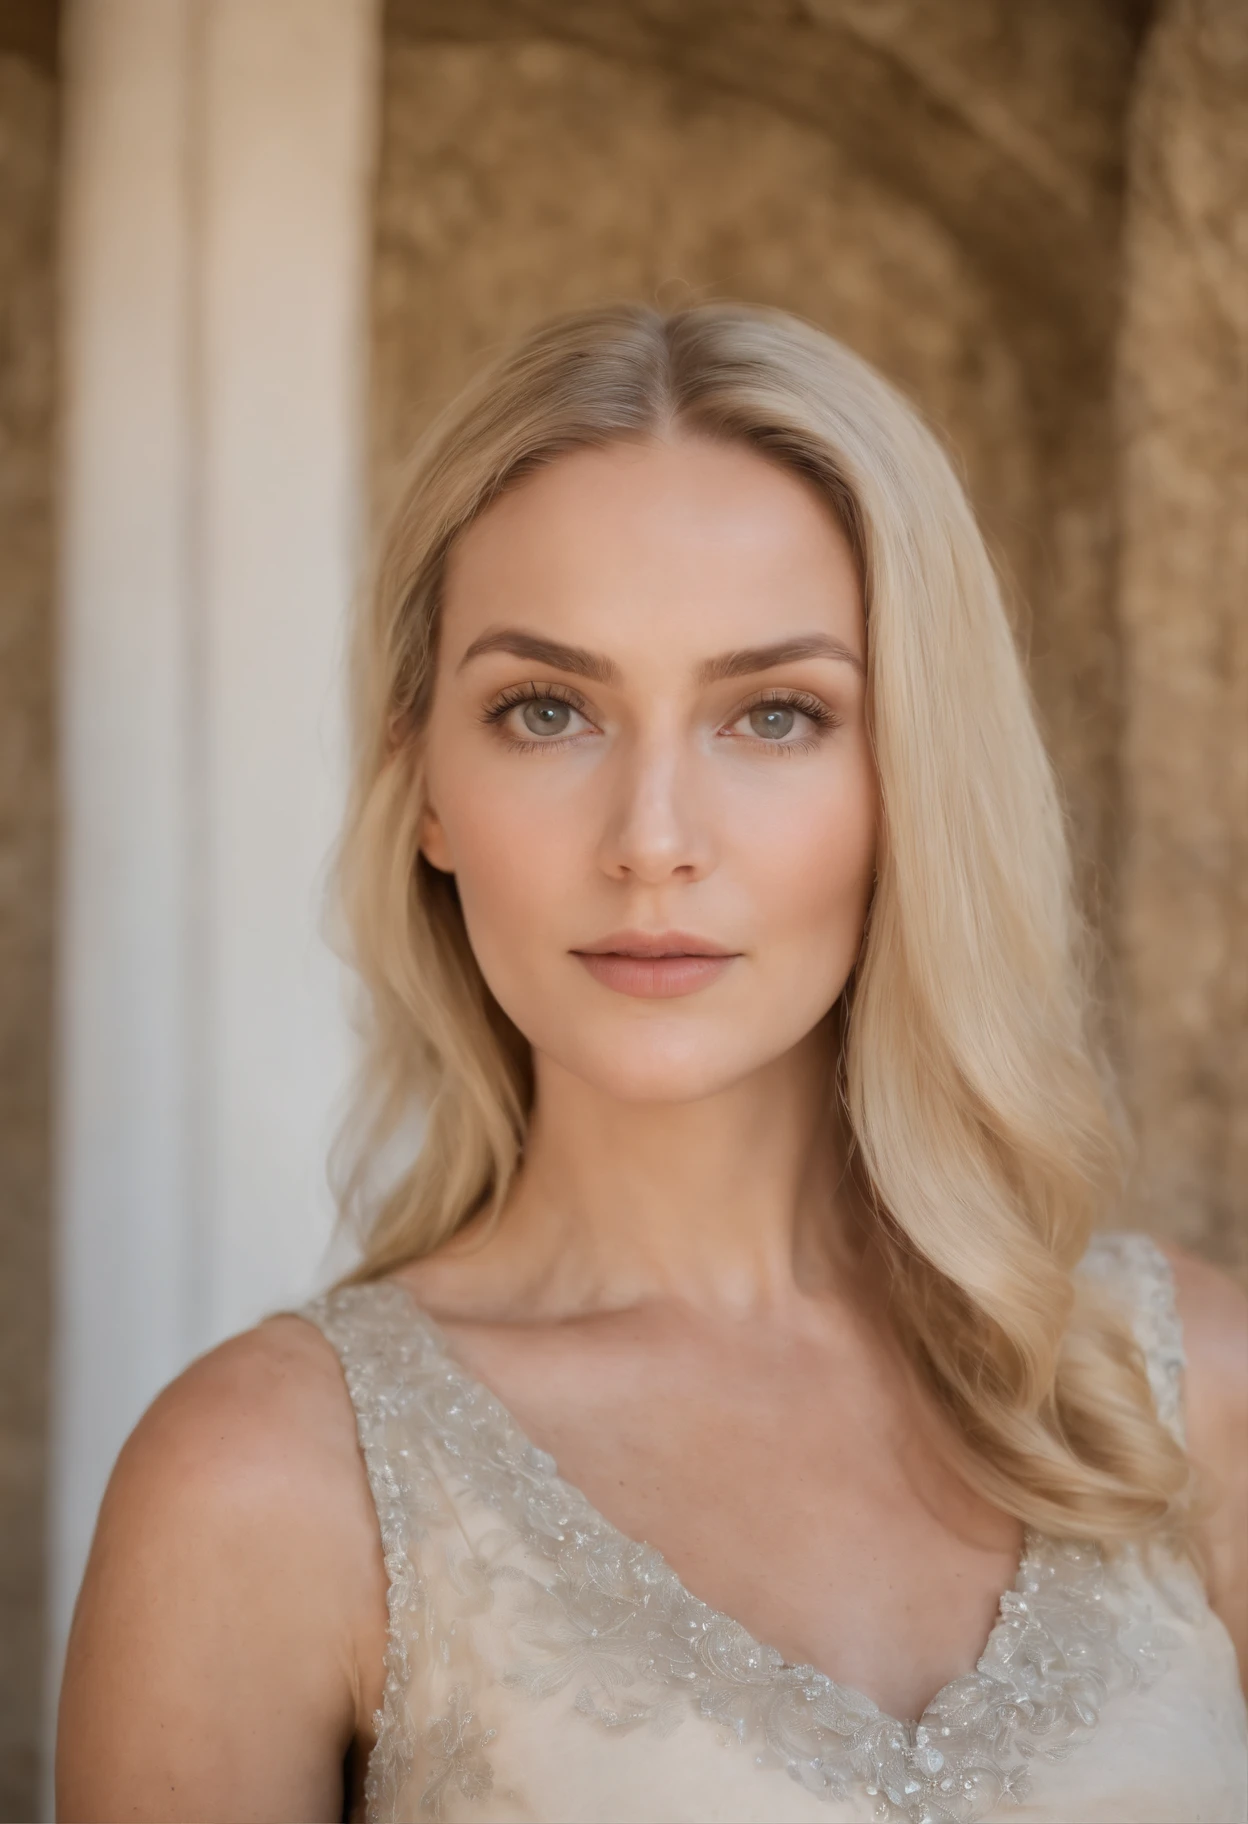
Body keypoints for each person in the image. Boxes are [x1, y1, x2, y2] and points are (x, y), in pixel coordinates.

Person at [56, 303, 1247, 1824]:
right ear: (426, 784)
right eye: (547, 710)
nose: (654, 842)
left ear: (912, 782)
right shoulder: (262, 1488)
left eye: (776, 714)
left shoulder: (1185, 1399)